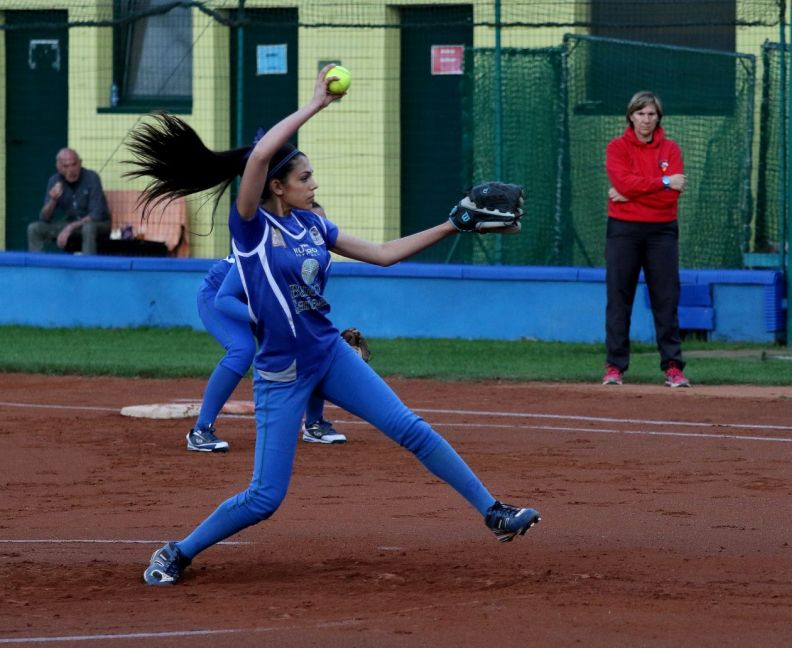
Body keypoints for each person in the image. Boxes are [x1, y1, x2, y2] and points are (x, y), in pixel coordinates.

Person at [125, 64, 540, 585]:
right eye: (304, 176)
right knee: (265, 497)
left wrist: (451, 223)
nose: (313, 182)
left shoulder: (314, 223)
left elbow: (385, 254)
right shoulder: (251, 227)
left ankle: (494, 512)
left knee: (411, 428)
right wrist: (316, 103)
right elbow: (257, 157)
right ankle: (178, 551)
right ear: (276, 186)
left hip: (327, 352)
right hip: (281, 372)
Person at [186, 242, 348, 454]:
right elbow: (224, 300)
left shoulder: (317, 260)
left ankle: (314, 424)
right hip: (220, 297)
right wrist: (266, 318)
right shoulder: (269, 248)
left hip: (261, 304)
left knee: (310, 346)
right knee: (242, 350)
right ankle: (200, 431)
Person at [603, 90, 690, 388]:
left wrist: (631, 194)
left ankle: (673, 367)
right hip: (623, 230)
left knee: (666, 299)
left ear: (658, 117)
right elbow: (623, 182)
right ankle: (614, 367)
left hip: (662, 230)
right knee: (619, 298)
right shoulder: (616, 147)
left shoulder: (671, 149)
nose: (646, 120)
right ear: (631, 116)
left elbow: (671, 197)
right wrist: (663, 183)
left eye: (651, 114)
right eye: (641, 113)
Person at [28, 148, 111, 254]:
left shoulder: (92, 177)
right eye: (66, 166)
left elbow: (96, 215)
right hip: (72, 225)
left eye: (74, 165)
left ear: (80, 163)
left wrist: (69, 228)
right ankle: (37, 267)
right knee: (34, 228)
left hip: (98, 224)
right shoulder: (54, 181)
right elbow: (44, 218)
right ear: (58, 167)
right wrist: (53, 200)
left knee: (88, 228)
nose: (71, 170)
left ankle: (87, 267)